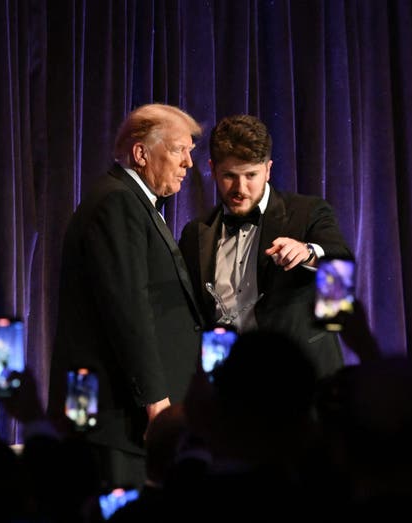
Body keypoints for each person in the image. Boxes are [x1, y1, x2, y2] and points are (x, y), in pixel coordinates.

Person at [48, 103, 205, 488]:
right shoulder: (117, 202)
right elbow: (128, 309)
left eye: (190, 152)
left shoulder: (129, 201)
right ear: (141, 153)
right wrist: (156, 402)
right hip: (118, 418)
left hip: (121, 414)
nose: (188, 163)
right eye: (178, 150)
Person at [179, 114, 352, 377]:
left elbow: (342, 268)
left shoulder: (307, 212)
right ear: (212, 170)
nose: (241, 188)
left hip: (299, 377)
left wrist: (308, 253)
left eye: (251, 175)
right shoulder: (195, 232)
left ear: (268, 170)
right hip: (229, 381)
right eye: (229, 176)